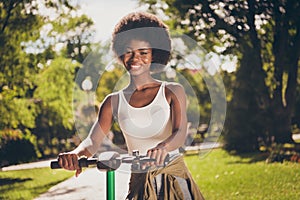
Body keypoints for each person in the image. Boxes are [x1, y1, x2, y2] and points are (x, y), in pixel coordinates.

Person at [58, 12, 204, 199]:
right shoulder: (113, 102)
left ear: (154, 55)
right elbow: (92, 141)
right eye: (129, 51)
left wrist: (163, 147)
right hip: (140, 182)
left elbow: (180, 133)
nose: (135, 58)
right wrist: (75, 154)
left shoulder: (172, 91)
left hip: (173, 178)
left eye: (143, 52)